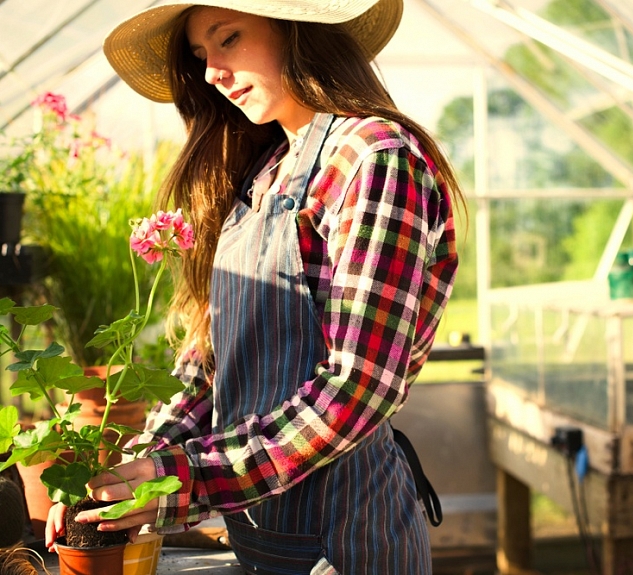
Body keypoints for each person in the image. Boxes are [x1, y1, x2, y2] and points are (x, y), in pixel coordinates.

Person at [46, 0, 463, 572]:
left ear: (299, 31)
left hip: (345, 543)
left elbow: (359, 387)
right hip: (259, 535)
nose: (213, 72)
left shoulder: (375, 159)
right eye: (201, 55)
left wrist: (186, 479)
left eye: (230, 39)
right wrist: (137, 470)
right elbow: (209, 365)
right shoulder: (264, 171)